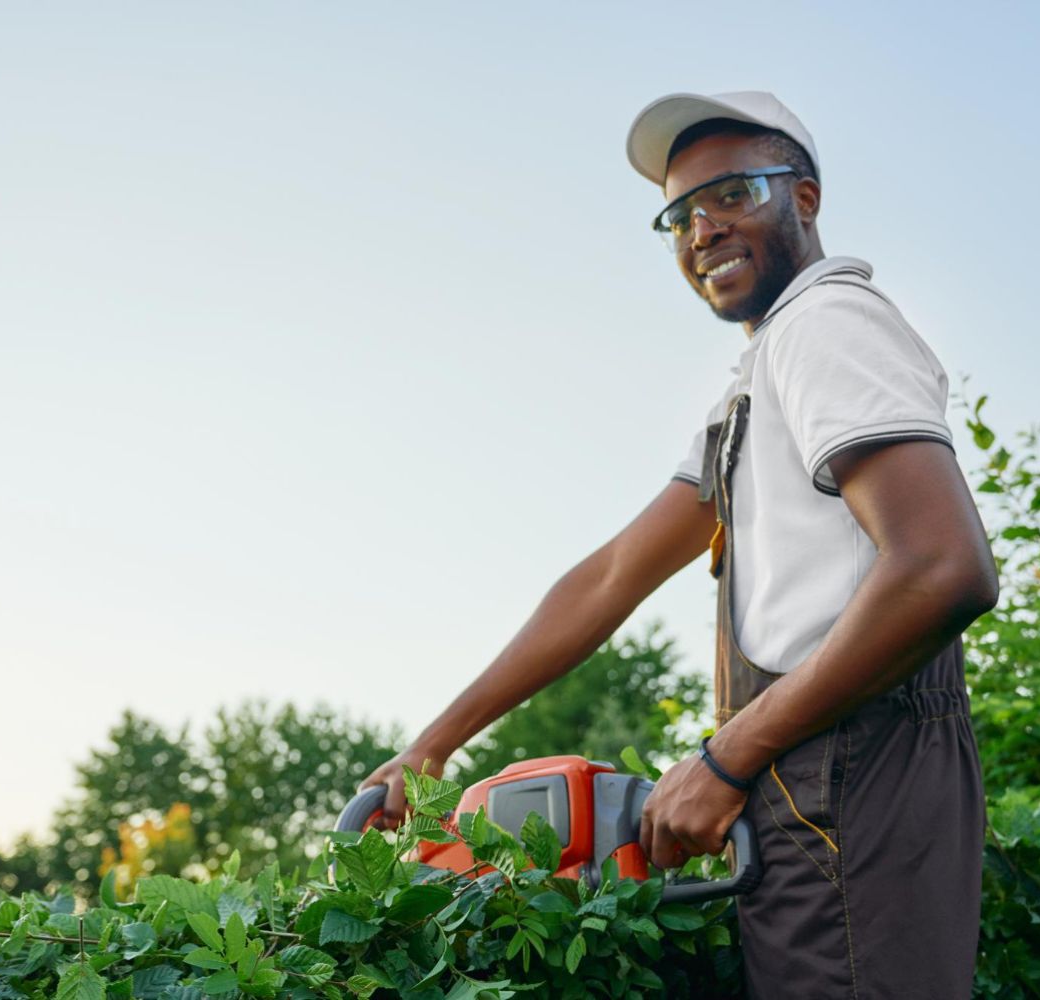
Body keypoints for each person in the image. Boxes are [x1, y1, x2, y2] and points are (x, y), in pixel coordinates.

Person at [359, 90, 998, 998]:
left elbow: (943, 569)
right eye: (680, 215)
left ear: (804, 200)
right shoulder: (754, 384)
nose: (703, 229)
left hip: (849, 760)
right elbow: (613, 576)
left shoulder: (828, 324)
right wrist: (435, 744)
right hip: (808, 768)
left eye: (734, 193)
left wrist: (727, 755)